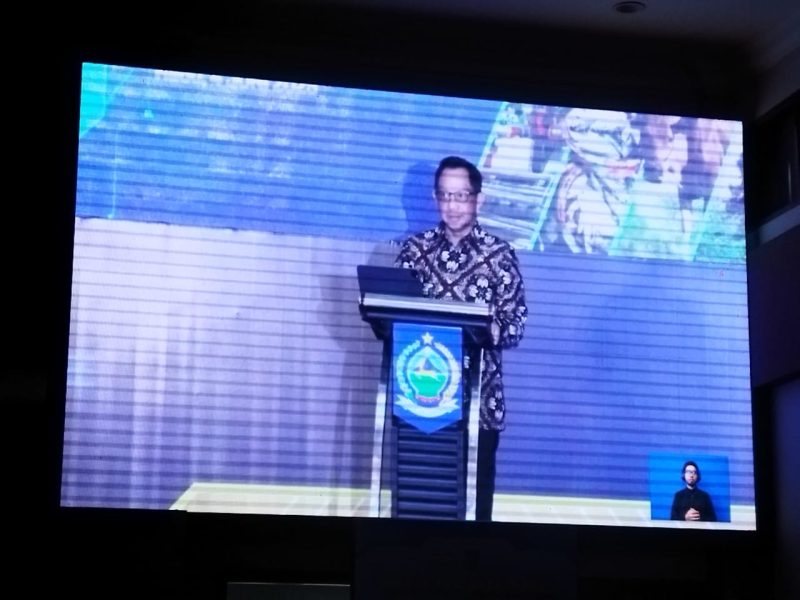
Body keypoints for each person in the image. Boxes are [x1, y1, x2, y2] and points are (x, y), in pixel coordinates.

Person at [395, 155, 528, 521]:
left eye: (461, 196)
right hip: (422, 402)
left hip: (479, 404)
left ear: (478, 199)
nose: (452, 205)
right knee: (420, 509)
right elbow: (394, 319)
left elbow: (516, 324)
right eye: (445, 195)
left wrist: (485, 327)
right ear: (435, 198)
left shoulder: (500, 256)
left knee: (473, 513)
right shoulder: (414, 252)